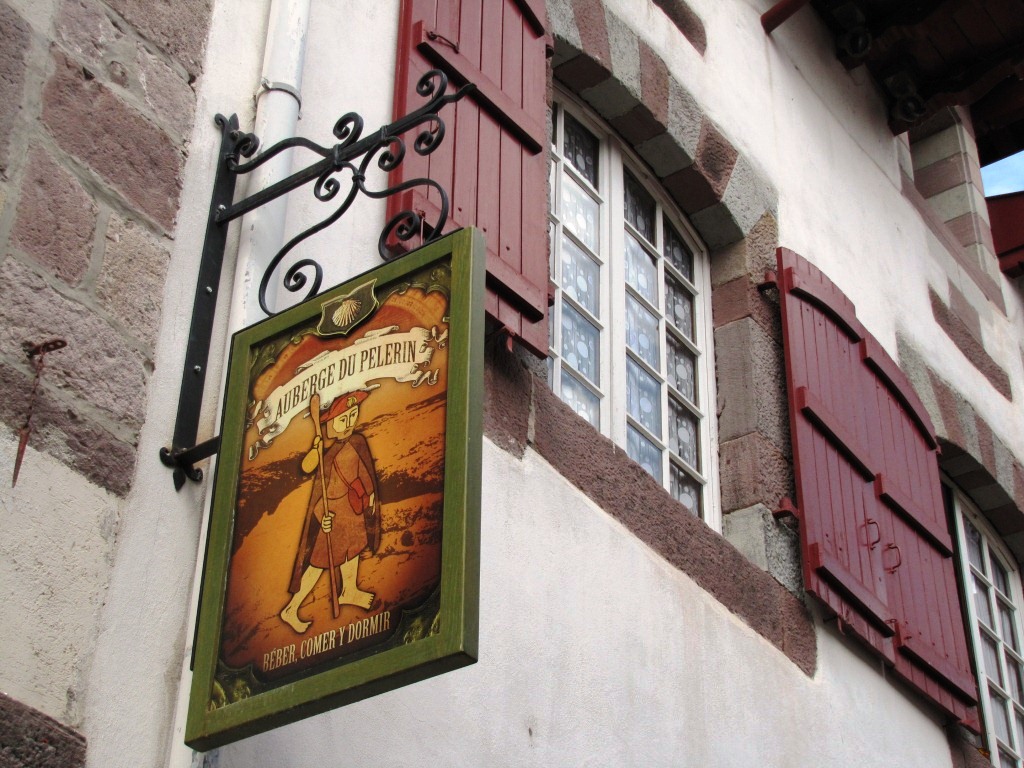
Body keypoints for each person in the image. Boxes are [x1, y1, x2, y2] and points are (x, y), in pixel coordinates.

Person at [280, 391, 381, 634]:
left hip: (353, 511)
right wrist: (321, 518)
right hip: (334, 517)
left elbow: (365, 471)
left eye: (353, 415)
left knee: (353, 550)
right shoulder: (327, 457)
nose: (349, 423)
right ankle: (291, 608)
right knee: (318, 564)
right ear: (331, 426)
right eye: (343, 419)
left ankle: (349, 590)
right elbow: (313, 480)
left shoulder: (358, 441)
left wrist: (370, 495)